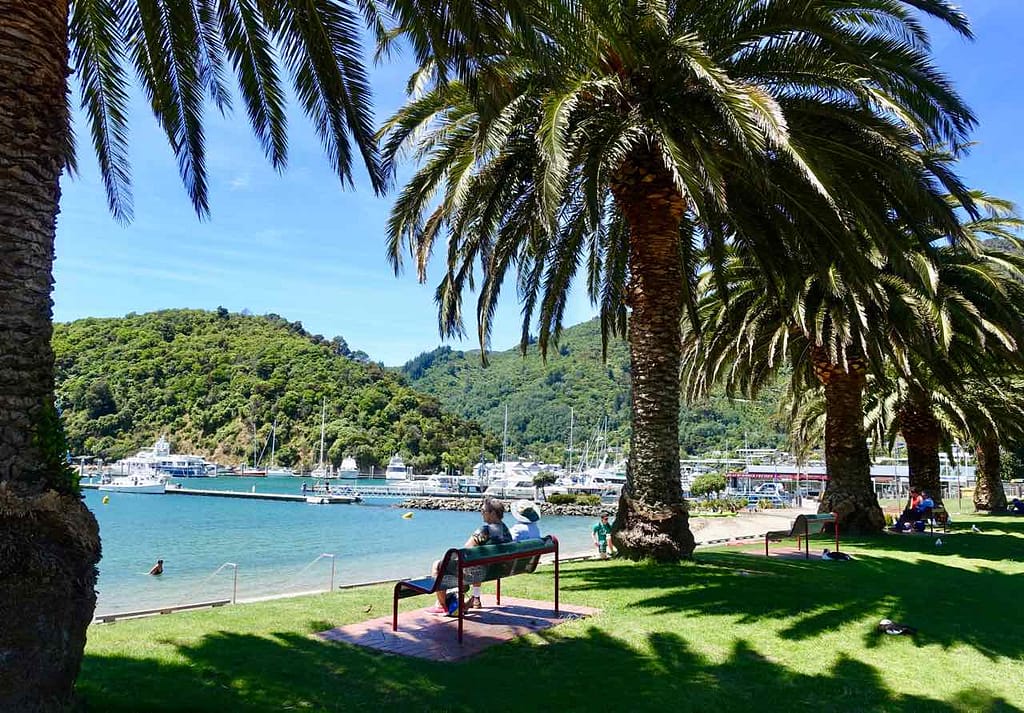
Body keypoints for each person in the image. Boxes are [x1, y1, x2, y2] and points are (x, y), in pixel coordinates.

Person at [427, 497, 511, 614]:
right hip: (495, 570)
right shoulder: (506, 530)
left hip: (479, 572)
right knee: (478, 562)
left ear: (492, 513)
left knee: (437, 565)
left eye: (483, 511)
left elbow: (465, 551)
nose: (481, 514)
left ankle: (441, 605)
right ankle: (474, 599)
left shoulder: (484, 530)